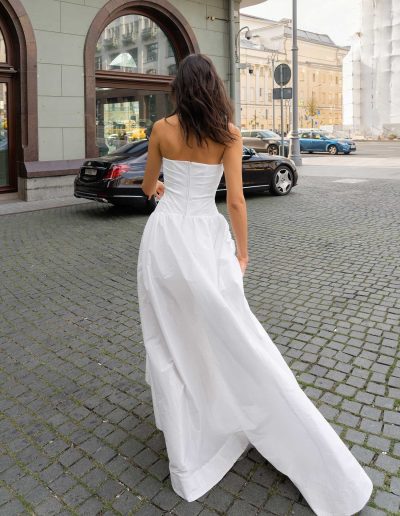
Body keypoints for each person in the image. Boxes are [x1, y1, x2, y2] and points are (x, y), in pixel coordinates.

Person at [137, 54, 373, 514]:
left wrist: (165, 193)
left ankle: (190, 434)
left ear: (179, 89)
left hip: (165, 241)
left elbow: (148, 187)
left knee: (168, 337)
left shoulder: (162, 130)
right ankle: (257, 415)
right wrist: (242, 254)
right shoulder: (228, 133)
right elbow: (238, 203)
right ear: (214, 87)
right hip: (206, 241)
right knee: (234, 336)